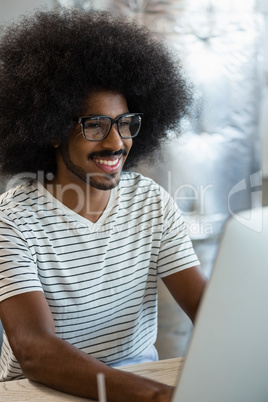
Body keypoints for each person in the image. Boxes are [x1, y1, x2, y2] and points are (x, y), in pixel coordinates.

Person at [0, 9, 206, 402]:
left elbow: (201, 304)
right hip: (37, 392)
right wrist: (156, 396)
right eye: (95, 125)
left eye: (125, 123)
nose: (117, 143)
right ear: (54, 130)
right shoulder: (12, 221)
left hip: (138, 379)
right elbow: (36, 351)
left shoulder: (151, 202)